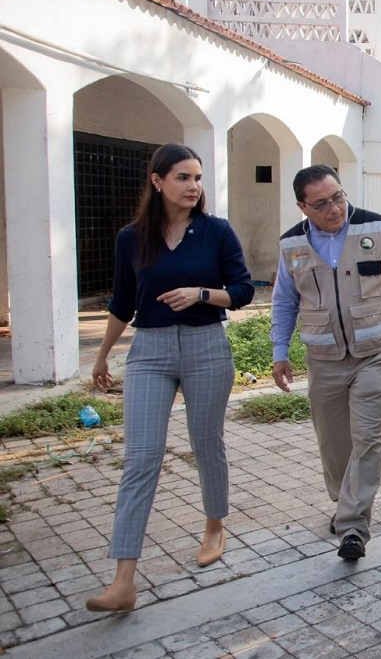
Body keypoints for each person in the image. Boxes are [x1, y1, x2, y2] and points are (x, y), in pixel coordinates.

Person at [86, 143, 254, 612]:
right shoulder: (131, 238)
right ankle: (123, 580)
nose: (193, 186)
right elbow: (123, 302)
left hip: (206, 348)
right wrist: (101, 357)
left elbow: (242, 290)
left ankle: (215, 525)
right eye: (182, 177)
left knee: (206, 444)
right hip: (150, 353)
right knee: (141, 458)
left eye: (197, 178)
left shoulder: (217, 232)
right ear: (157, 181)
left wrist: (201, 293)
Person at [271, 165, 381, 560]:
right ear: (303, 206)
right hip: (324, 358)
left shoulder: (378, 229)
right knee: (334, 445)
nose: (334, 208)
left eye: (338, 197)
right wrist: (279, 352)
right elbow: (284, 302)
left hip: (376, 353)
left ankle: (353, 526)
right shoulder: (291, 246)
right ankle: (344, 501)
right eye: (321, 204)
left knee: (367, 438)